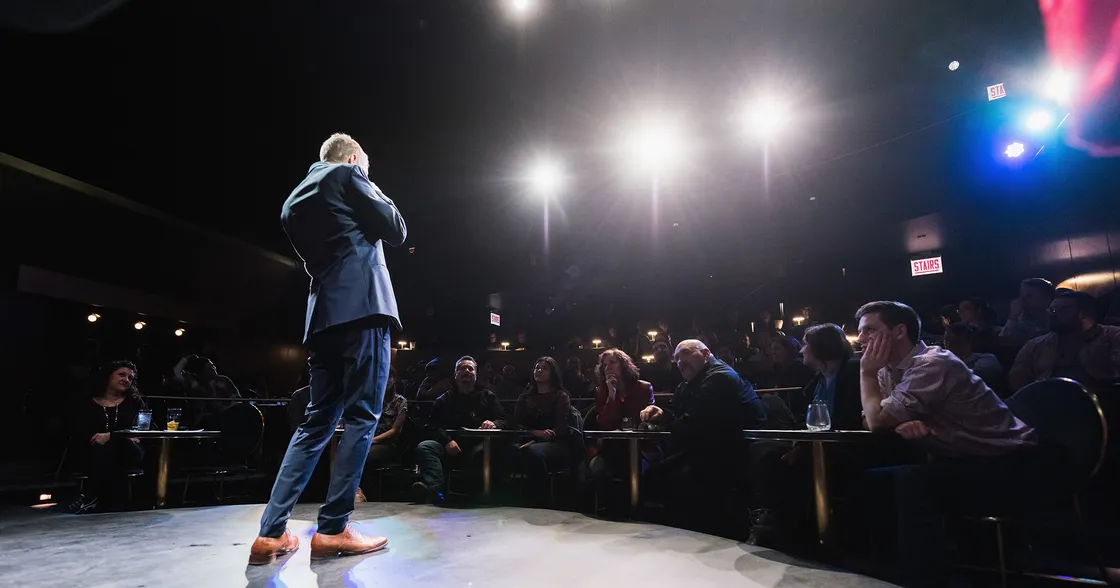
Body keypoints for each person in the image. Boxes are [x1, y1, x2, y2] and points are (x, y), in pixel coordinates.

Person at [251, 133, 406, 565]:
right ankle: (334, 528)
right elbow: (396, 229)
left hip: (322, 317)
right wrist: (367, 179)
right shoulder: (349, 173)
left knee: (315, 423)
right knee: (361, 417)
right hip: (364, 310)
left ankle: (270, 533)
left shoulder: (292, 201)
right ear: (355, 158)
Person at [855, 301, 1043, 588]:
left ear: (899, 331)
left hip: (1013, 462)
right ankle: (884, 572)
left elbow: (878, 420)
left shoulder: (933, 363)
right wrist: (887, 414)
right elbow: (869, 421)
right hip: (962, 460)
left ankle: (924, 579)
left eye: (869, 330)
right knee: (870, 480)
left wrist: (866, 376)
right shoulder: (886, 371)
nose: (861, 338)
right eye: (861, 332)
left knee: (912, 480)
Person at [639, 340, 767, 533]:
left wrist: (666, 424)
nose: (680, 361)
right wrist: (660, 413)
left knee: (670, 478)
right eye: (676, 358)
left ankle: (713, 531)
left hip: (733, 450)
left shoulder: (719, 377)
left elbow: (696, 421)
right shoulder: (691, 381)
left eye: (686, 354)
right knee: (653, 476)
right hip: (707, 447)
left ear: (706, 353)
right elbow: (677, 412)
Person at [412, 356, 506, 504]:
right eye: (462, 368)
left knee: (485, 452)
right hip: (451, 446)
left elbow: (504, 420)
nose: (466, 371)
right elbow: (431, 426)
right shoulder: (443, 399)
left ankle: (478, 497)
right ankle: (435, 491)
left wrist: (494, 423)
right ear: (455, 374)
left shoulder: (488, 397)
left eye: (470, 368)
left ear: (476, 374)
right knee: (425, 447)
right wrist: (447, 441)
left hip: (479, 446)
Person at [68, 361, 146, 513]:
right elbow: (79, 429)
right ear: (108, 376)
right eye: (122, 375)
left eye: (130, 378)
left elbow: (146, 428)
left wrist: (111, 436)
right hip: (93, 451)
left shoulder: (135, 402)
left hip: (130, 451)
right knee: (107, 451)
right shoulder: (87, 402)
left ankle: (90, 496)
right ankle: (113, 503)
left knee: (119, 444)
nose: (126, 380)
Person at [1009, 290, 1120, 392]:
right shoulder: (1035, 345)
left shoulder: (1113, 336)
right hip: (1048, 405)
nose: (1054, 314)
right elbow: (1017, 383)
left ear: (1084, 314)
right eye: (1052, 310)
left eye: (1062, 309)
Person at [587, 349, 655, 493]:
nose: (608, 367)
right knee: (599, 468)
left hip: (640, 445)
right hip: (613, 445)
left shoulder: (643, 387)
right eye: (604, 365)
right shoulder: (601, 391)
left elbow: (647, 419)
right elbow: (604, 422)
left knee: (636, 468)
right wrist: (612, 395)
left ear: (623, 365)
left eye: (612, 362)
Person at [512, 357, 578, 497]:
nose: (539, 370)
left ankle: (540, 498)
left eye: (544, 368)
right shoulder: (525, 397)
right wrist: (535, 433)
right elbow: (516, 425)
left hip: (555, 443)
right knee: (505, 450)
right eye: (537, 367)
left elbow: (561, 428)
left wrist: (543, 435)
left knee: (532, 453)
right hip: (528, 439)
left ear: (553, 373)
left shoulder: (561, 396)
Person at [357, 366, 408, 502]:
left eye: (389, 377)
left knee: (366, 455)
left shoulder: (400, 402)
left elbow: (394, 431)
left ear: (394, 379)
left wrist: (372, 440)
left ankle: (367, 494)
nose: (386, 380)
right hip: (368, 439)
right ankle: (355, 490)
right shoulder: (372, 399)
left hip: (388, 444)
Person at [942, 322, 1006, 396]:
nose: (949, 344)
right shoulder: (943, 362)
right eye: (946, 339)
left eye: (955, 340)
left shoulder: (986, 358)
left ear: (968, 341)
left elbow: (983, 374)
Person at [1001, 278, 1055, 345]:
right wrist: (1013, 317)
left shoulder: (1056, 318)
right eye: (1021, 296)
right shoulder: (1019, 320)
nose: (1022, 300)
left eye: (1029, 296)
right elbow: (1003, 342)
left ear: (1046, 299)